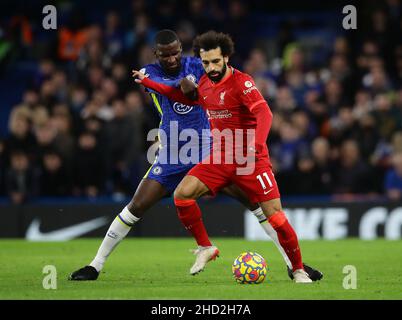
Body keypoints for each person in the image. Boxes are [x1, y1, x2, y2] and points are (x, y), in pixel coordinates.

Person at [70, 30, 322, 282]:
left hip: (208, 148)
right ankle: (95, 265)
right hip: (173, 152)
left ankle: (293, 264)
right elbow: (177, 92)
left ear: (183, 49)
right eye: (165, 55)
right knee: (135, 206)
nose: (171, 59)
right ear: (156, 54)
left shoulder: (199, 63)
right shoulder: (149, 72)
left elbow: (207, 87)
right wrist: (176, 85)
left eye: (176, 53)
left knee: (255, 204)